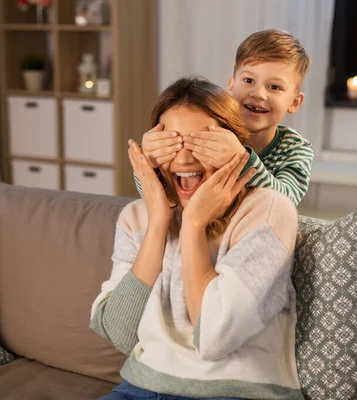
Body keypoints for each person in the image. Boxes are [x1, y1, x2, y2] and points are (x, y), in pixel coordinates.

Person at [91, 77, 302, 400]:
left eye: (200, 144)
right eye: (171, 144)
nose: (185, 160)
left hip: (237, 393)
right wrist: (159, 222)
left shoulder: (269, 211)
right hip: (138, 389)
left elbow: (213, 338)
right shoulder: (138, 217)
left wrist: (193, 225)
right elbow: (120, 333)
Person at [136, 29, 314, 205]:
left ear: (295, 102)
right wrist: (147, 162)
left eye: (274, 87)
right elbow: (158, 195)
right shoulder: (213, 127)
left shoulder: (296, 149)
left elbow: (285, 202)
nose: (259, 94)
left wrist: (241, 159)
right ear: (231, 84)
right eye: (249, 81)